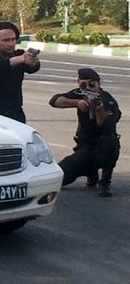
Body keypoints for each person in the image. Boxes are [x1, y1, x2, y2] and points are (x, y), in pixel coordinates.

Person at [49, 68, 121, 197]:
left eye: (91, 84)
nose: (87, 88)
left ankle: (105, 181)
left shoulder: (108, 100)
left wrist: (98, 107)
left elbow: (105, 125)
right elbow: (54, 101)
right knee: (59, 177)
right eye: (83, 85)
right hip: (85, 147)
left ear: (98, 83)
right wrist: (76, 103)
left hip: (102, 146)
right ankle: (90, 172)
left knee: (110, 141)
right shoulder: (79, 94)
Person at [0, 21, 40, 123]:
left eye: (13, 39)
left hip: (14, 113)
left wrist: (32, 61)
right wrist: (21, 59)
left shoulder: (19, 55)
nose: (11, 44)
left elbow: (32, 68)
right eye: (6, 40)